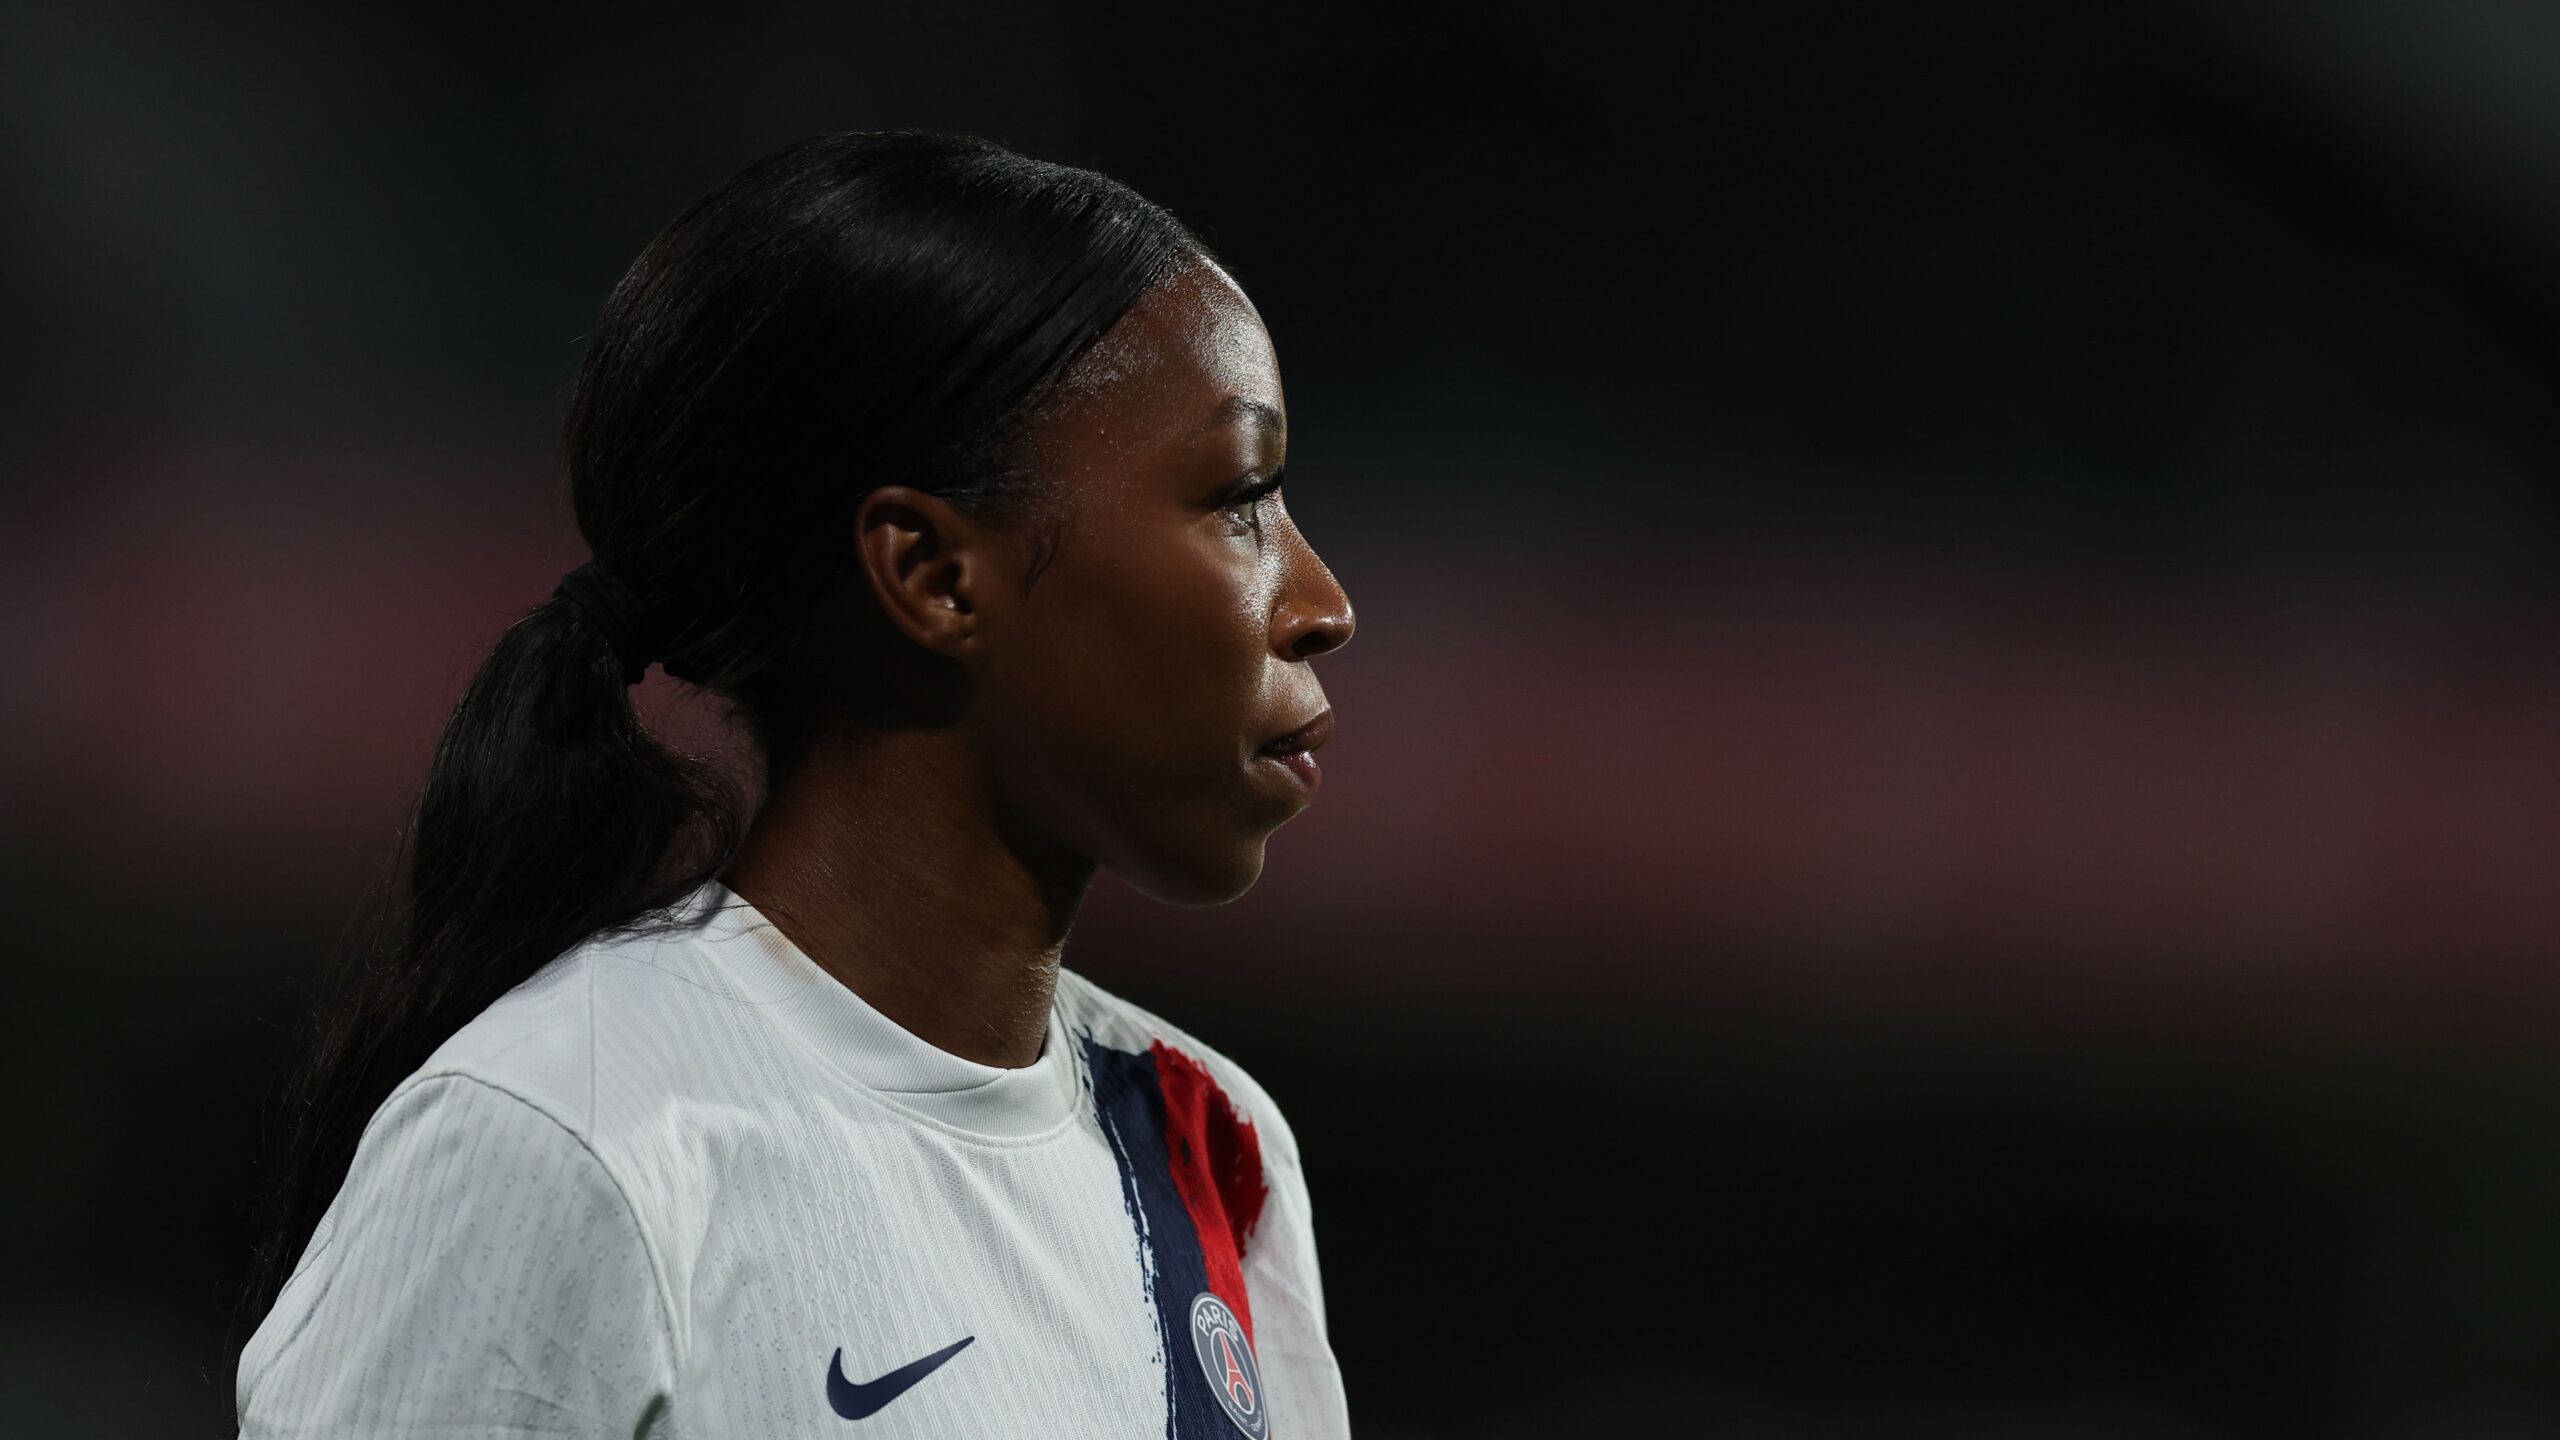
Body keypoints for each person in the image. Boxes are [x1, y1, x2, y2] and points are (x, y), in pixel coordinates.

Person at [231, 129, 1356, 1439]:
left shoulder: (1211, 1144)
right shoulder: (570, 1135)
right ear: (934, 576)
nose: (1323, 602)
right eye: (1240, 499)